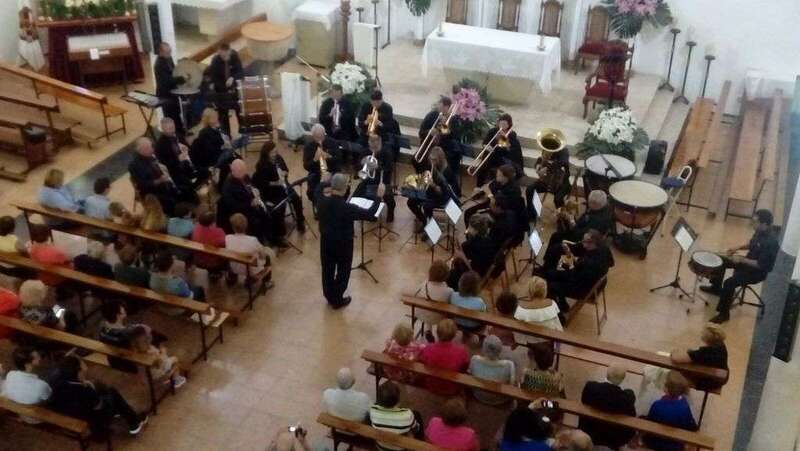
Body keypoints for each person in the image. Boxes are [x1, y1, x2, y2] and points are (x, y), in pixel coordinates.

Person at [316, 173, 383, 309]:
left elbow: (318, 189)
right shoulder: (347, 208)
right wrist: (378, 197)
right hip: (343, 244)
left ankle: (329, 295)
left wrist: (325, 181)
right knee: (343, 270)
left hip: (326, 242)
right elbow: (370, 214)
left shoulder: (321, 201)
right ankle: (337, 299)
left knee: (327, 269)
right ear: (345, 188)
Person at [701, 209, 780, 323]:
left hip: (756, 272)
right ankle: (716, 288)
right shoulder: (759, 231)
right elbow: (752, 244)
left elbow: (761, 265)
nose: (752, 224)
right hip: (747, 263)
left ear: (764, 224)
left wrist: (741, 260)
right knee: (721, 260)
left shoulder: (771, 243)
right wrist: (738, 248)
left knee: (729, 283)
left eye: (755, 222)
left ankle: (723, 314)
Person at [48, 355, 148, 436]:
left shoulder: (57, 381)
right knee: (112, 393)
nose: (84, 366)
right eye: (82, 364)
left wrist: (86, 383)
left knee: (101, 387)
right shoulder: (85, 391)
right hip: (90, 417)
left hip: (70, 412)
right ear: (78, 371)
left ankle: (118, 411)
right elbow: (99, 406)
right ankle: (134, 423)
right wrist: (92, 388)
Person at [544, 229, 614, 313]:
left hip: (584, 288)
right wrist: (570, 256)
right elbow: (611, 263)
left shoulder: (591, 263)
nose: (582, 244)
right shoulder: (604, 248)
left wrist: (566, 267)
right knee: (553, 274)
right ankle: (562, 303)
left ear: (591, 243)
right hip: (592, 282)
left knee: (550, 285)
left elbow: (575, 277)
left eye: (584, 241)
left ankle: (559, 311)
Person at [221, 159, 286, 248]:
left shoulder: (244, 176)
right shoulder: (228, 187)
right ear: (233, 171)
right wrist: (250, 204)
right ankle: (261, 244)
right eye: (241, 172)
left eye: (244, 170)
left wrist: (255, 190)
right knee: (258, 222)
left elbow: (251, 185)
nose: (244, 174)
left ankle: (275, 238)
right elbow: (233, 206)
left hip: (254, 203)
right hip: (243, 213)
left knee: (274, 211)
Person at [542, 190, 612, 271]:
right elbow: (582, 222)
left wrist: (571, 220)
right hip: (581, 231)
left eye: (589, 202)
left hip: (583, 243)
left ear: (595, 204)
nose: (588, 204)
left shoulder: (599, 221)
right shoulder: (601, 207)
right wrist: (572, 212)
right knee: (555, 236)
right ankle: (547, 262)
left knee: (555, 248)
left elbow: (580, 235)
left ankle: (548, 268)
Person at [253, 141, 306, 235]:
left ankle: (300, 221)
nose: (275, 154)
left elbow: (286, 169)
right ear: (266, 153)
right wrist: (276, 183)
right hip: (272, 190)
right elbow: (262, 183)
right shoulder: (261, 165)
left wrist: (285, 173)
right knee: (281, 206)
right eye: (272, 152)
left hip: (283, 185)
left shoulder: (278, 158)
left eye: (275, 151)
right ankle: (279, 232)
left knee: (297, 199)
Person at [578, 365, 636, 449]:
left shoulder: (590, 387)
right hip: (612, 439)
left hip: (589, 430)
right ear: (622, 379)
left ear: (607, 374)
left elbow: (583, 401)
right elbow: (632, 416)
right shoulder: (627, 398)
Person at [407, 146, 461, 230]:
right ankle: (424, 221)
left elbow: (442, 192)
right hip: (430, 194)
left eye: (434, 159)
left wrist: (433, 185)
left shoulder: (444, 172)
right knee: (410, 202)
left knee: (427, 206)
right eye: (430, 159)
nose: (432, 162)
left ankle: (431, 228)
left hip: (442, 196)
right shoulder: (429, 168)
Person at [643, 371, 698, 451]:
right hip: (676, 445)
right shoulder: (684, 407)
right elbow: (691, 426)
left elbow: (649, 423)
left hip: (655, 442)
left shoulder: (657, 405)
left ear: (667, 388)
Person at [671, 323, 729, 391]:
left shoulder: (705, 352)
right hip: (721, 378)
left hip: (710, 382)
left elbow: (676, 358)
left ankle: (677, 391)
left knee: (676, 373)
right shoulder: (721, 346)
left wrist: (674, 351)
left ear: (706, 338)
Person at [129, 137, 179, 214]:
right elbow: (142, 184)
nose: (152, 150)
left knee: (181, 189)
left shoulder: (150, 155)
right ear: (140, 150)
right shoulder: (134, 166)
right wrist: (159, 180)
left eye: (151, 146)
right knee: (172, 203)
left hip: (163, 185)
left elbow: (157, 166)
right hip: (153, 193)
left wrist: (162, 168)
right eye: (148, 148)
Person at [419, 319, 470, 395]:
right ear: (454, 334)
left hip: (431, 384)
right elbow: (465, 367)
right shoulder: (462, 350)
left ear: (437, 333)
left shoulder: (428, 348)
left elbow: (422, 362)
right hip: (452, 387)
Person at [464, 164, 524, 228]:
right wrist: (479, 192)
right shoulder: (498, 181)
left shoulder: (513, 190)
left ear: (505, 178)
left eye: (499, 175)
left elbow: (495, 202)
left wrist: (489, 194)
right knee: (468, 212)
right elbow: (489, 188)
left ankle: (479, 232)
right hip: (493, 205)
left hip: (503, 213)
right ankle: (469, 232)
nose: (496, 176)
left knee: (477, 221)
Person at [353, 134, 396, 222]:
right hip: (368, 180)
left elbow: (389, 169)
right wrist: (361, 163)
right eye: (371, 145)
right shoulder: (365, 151)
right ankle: (365, 212)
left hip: (383, 181)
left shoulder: (386, 153)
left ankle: (390, 212)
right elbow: (357, 167)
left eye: (376, 146)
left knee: (389, 199)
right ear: (369, 142)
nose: (373, 148)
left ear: (380, 143)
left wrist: (377, 167)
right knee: (357, 193)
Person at [155, 117, 199, 199]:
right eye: (169, 129)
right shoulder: (160, 146)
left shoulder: (177, 135)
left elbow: (188, 148)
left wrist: (187, 147)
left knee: (205, 171)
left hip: (187, 166)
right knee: (188, 188)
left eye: (173, 127)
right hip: (176, 172)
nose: (172, 131)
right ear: (163, 130)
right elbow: (165, 165)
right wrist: (178, 159)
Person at [225, 213, 274, 288]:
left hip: (234, 267)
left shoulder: (228, 238)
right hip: (251, 270)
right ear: (246, 225)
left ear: (232, 227)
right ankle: (267, 282)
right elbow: (262, 255)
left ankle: (232, 278)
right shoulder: (252, 240)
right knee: (267, 257)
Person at [369, 381, 420, 449]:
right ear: (398, 401)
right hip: (401, 449)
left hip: (380, 447)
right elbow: (416, 429)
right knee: (417, 415)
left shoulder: (373, 410)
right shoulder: (407, 415)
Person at [526, 145, 571, 222]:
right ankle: (531, 214)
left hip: (562, 183)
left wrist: (546, 168)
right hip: (547, 181)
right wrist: (537, 166)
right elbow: (540, 159)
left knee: (558, 199)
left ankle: (563, 221)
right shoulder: (547, 147)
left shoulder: (564, 151)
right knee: (530, 189)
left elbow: (563, 162)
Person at [207, 43, 244, 136]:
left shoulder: (234, 56)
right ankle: (227, 135)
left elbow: (240, 72)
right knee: (223, 115)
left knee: (240, 110)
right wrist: (225, 87)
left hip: (235, 89)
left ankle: (242, 131)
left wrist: (233, 78)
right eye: (223, 56)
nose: (225, 58)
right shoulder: (215, 61)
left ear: (230, 51)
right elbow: (214, 78)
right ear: (219, 52)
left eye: (227, 55)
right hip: (221, 91)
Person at [513, 277, 563, 346]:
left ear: (529, 290)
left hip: (530, 340)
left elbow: (518, 330)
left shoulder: (520, 308)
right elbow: (557, 324)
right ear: (545, 291)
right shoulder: (551, 303)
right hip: (549, 339)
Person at [418, 96, 461, 172]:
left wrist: (443, 126)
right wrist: (429, 132)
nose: (439, 108)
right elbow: (421, 133)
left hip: (444, 150)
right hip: (428, 146)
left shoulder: (453, 120)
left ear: (447, 107)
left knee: (437, 161)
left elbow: (454, 138)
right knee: (416, 160)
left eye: (442, 106)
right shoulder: (432, 115)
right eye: (439, 105)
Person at [477, 114, 523, 186]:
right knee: (483, 165)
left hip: (504, 157)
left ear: (509, 125)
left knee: (500, 170)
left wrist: (503, 138)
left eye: (504, 124)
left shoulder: (512, 134)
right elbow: (485, 142)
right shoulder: (492, 131)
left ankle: (495, 187)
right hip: (492, 155)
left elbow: (509, 149)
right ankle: (479, 185)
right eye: (501, 124)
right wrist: (486, 146)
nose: (502, 126)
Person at [469, 335, 515, 405]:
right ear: (500, 350)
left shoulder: (474, 359)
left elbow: (471, 374)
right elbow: (511, 385)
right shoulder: (509, 364)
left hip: (478, 394)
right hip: (500, 398)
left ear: (484, 348)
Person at [303, 124, 342, 207]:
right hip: (317, 173)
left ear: (324, 133)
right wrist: (314, 159)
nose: (320, 140)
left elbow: (339, 159)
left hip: (332, 170)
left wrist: (328, 156)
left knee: (342, 185)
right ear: (313, 136)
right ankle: (318, 205)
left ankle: (337, 204)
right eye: (317, 138)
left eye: (322, 137)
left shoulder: (332, 142)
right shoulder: (308, 147)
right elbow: (306, 166)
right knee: (311, 191)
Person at [153, 42, 187, 136]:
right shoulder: (159, 65)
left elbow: (174, 72)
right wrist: (181, 79)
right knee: (171, 117)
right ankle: (175, 136)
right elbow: (167, 81)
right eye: (167, 52)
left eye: (170, 51)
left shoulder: (168, 58)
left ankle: (181, 133)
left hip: (173, 93)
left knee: (177, 113)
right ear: (161, 52)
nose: (170, 54)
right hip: (165, 96)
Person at [416, 260, 454, 339]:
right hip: (439, 318)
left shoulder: (424, 284)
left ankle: (428, 330)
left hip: (422, 314)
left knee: (429, 308)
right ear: (446, 275)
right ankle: (441, 333)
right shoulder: (449, 291)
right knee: (441, 310)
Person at [190, 108, 228, 184]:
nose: (216, 118)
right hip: (212, 160)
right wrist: (223, 147)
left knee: (235, 158)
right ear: (208, 119)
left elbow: (222, 142)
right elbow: (210, 151)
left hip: (219, 155)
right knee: (231, 162)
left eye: (216, 116)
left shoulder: (217, 129)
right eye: (213, 117)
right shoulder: (204, 133)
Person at [191, 206, 228, 277]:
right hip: (212, 262)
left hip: (197, 259)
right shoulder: (218, 232)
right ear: (212, 223)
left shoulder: (196, 227)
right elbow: (225, 245)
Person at [459, 213, 498, 278]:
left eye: (469, 226)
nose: (468, 228)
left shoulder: (472, 245)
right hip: (485, 267)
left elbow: (473, 268)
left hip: (476, 275)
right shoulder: (488, 238)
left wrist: (462, 256)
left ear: (476, 230)